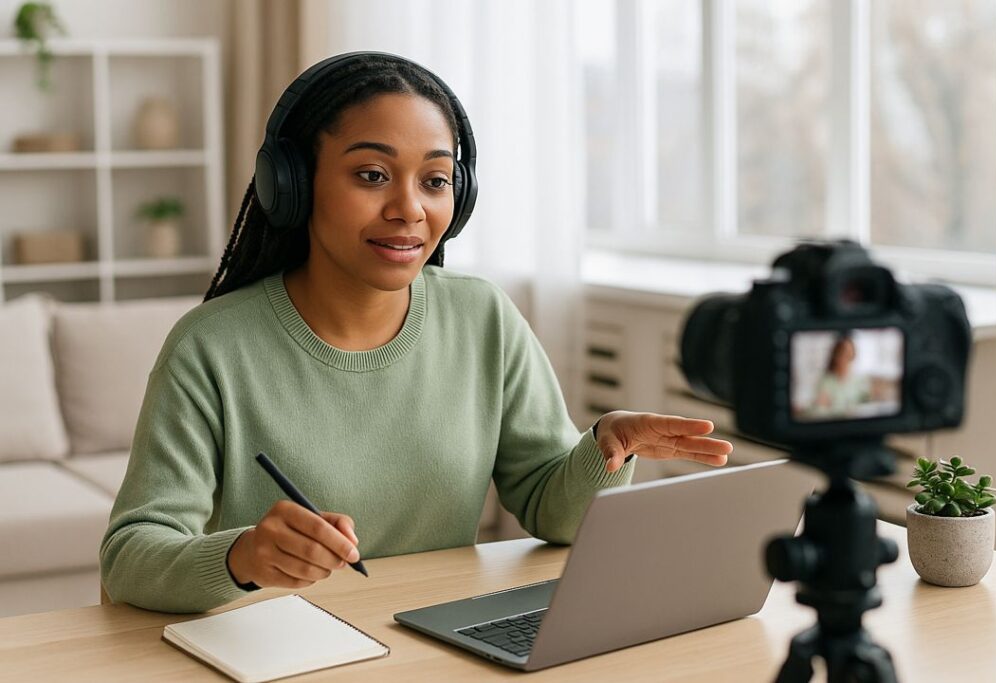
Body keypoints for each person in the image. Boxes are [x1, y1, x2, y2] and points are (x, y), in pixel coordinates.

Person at [100, 53, 732, 613]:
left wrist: (603, 448)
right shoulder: (210, 347)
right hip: (277, 650)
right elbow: (131, 556)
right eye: (372, 175)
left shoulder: (483, 317)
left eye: (435, 180)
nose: (410, 209)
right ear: (291, 186)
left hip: (437, 642)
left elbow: (550, 506)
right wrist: (239, 558)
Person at [811, 335, 872, 417]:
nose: (846, 360)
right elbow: (818, 410)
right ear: (835, 356)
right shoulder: (826, 381)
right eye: (843, 354)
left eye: (849, 356)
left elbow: (868, 404)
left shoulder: (860, 380)